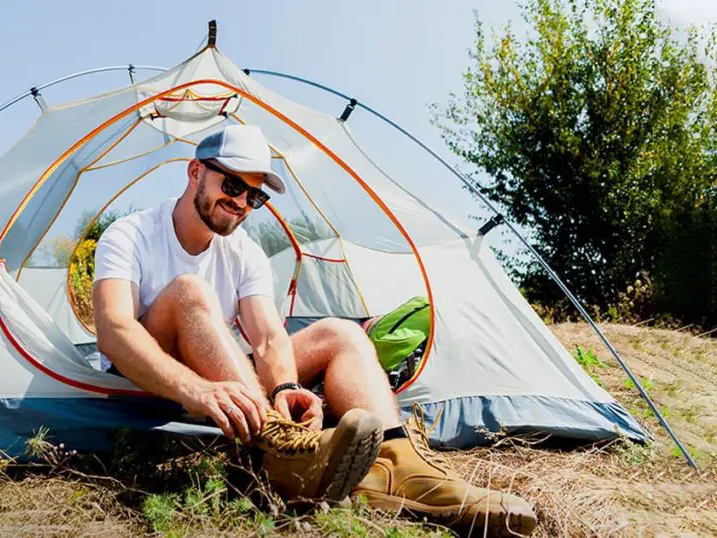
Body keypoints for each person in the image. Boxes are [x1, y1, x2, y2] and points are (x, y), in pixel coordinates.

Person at [91, 125, 537, 536]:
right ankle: (277, 453)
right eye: (232, 186)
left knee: (341, 334)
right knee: (191, 291)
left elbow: (266, 336)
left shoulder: (243, 251)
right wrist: (197, 391)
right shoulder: (130, 235)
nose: (242, 204)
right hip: (159, 378)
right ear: (194, 173)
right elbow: (114, 330)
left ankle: (399, 467)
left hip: (223, 374)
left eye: (255, 197)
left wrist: (284, 384)